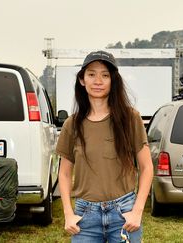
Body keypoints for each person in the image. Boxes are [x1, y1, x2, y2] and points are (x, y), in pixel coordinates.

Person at [56, 50, 153, 243]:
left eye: (105, 75)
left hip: (124, 213)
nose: (98, 80)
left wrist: (137, 212)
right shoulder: (72, 124)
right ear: (82, 80)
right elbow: (65, 173)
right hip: (85, 216)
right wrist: (68, 213)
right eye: (91, 74)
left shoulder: (130, 118)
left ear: (113, 81)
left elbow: (147, 167)